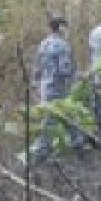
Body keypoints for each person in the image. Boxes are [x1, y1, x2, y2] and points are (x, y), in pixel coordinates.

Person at [30, 15, 85, 163]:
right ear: (62, 28)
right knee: (51, 121)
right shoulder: (62, 45)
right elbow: (64, 69)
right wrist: (78, 76)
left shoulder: (43, 44)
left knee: (68, 116)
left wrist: (35, 84)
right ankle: (39, 154)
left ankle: (79, 145)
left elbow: (37, 68)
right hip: (58, 88)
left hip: (45, 87)